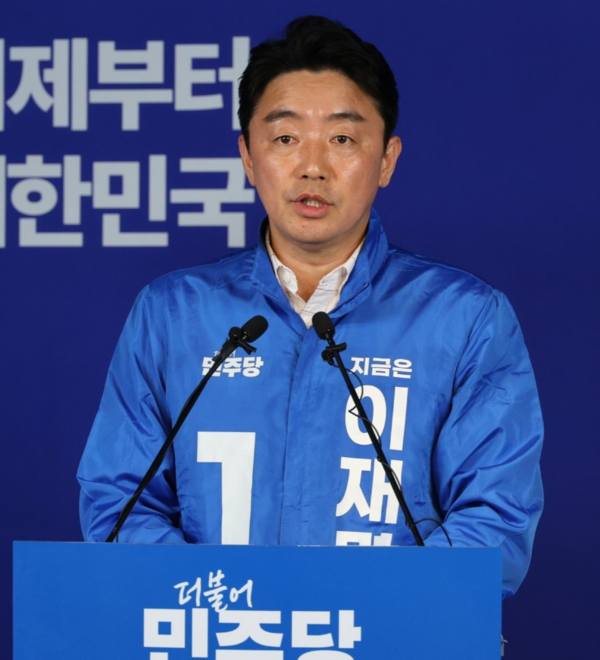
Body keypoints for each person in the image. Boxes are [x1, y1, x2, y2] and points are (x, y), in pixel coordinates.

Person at [77, 16, 543, 599]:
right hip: (221, 631)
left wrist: (361, 618)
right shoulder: (170, 315)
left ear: (387, 159)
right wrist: (226, 606)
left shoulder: (467, 320)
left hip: (385, 636)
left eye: (342, 139)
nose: (312, 165)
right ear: (249, 157)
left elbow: (495, 521)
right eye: (285, 138)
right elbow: (119, 505)